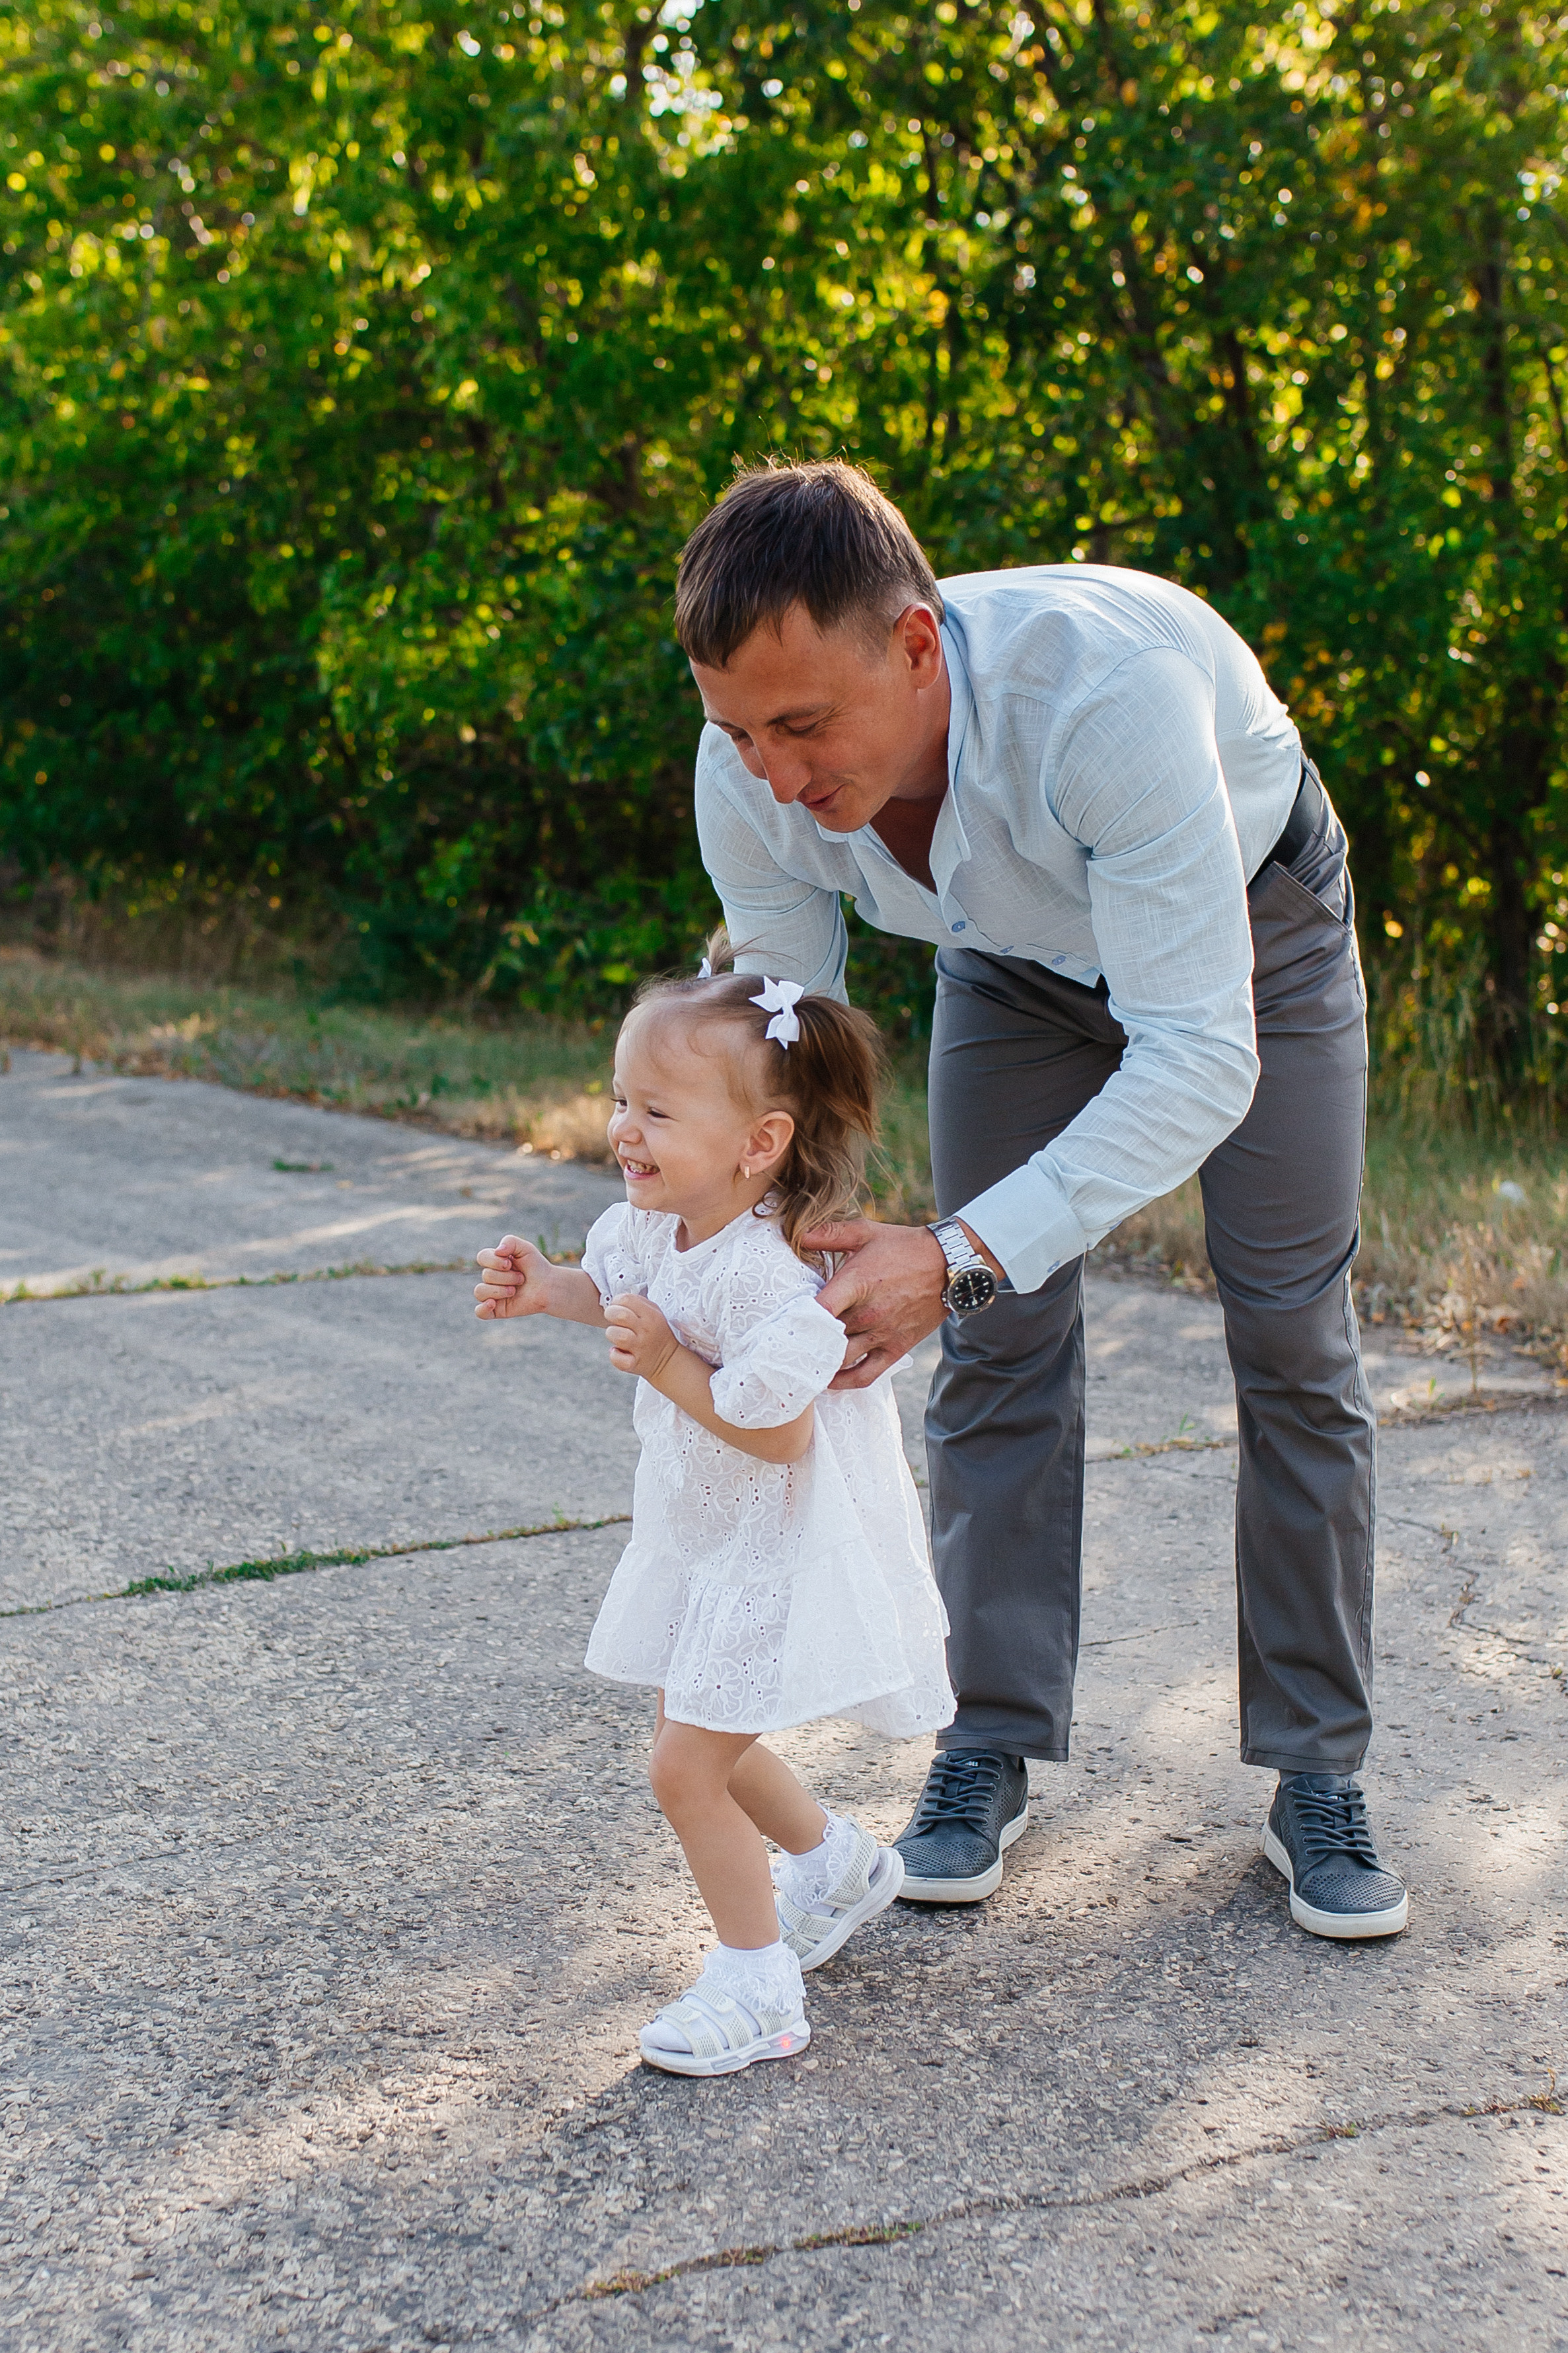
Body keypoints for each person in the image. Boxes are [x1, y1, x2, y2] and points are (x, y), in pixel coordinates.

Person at [675, 457, 1409, 1943]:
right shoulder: (744, 772)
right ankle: (985, 1738)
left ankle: (1315, 1769)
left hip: (1244, 939)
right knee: (999, 1340)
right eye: (736, 730)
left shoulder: (1103, 703)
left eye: (803, 726)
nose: (772, 775)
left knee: (1288, 1333)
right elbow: (782, 1036)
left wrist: (946, 1252)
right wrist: (740, 1252)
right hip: (1007, 963)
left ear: (916, 647)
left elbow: (1199, 1058)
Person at [473, 945, 954, 2075]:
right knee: (696, 1736)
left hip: (780, 1543)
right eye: (619, 1102)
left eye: (656, 1111)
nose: (624, 1130)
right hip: (711, 1531)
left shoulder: (767, 1277)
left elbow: (776, 1428)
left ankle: (757, 1985)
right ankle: (835, 1866)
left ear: (758, 1144)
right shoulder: (652, 1225)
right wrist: (551, 1288)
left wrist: (667, 1371)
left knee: (683, 1766)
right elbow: (625, 1297)